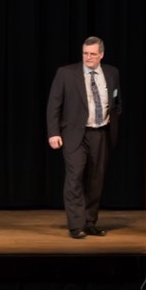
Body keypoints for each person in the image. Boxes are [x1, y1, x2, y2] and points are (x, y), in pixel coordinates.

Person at [46, 36, 122, 239]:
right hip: (74, 133)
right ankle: (76, 225)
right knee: (75, 177)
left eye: (93, 54)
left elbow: (115, 100)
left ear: (101, 54)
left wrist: (114, 117)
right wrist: (53, 132)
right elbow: (54, 104)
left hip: (101, 133)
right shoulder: (66, 73)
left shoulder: (112, 72)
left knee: (96, 180)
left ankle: (89, 222)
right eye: (85, 53)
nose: (88, 57)